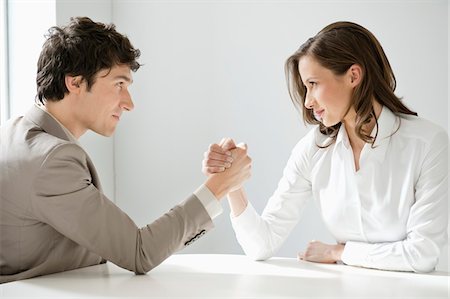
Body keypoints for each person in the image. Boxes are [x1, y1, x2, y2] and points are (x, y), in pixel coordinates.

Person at [0, 17, 251, 283]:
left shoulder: (13, 132)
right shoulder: (52, 160)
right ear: (74, 83)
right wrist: (220, 185)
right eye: (119, 85)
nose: (129, 103)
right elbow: (139, 252)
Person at [203, 21, 448, 273]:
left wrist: (339, 252)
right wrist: (232, 183)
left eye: (313, 84)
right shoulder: (313, 150)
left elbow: (422, 254)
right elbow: (261, 245)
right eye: (305, 88)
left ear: (354, 75)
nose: (308, 101)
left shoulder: (428, 144)